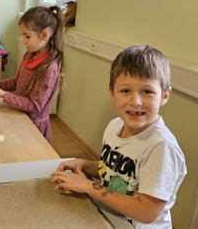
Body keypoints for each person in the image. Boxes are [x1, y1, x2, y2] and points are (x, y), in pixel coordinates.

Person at [50, 45, 187, 228]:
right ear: (112, 93)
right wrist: (85, 165)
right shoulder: (115, 126)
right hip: (110, 215)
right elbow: (115, 171)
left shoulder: (161, 148)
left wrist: (88, 186)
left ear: (164, 96)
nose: (135, 101)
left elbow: (146, 212)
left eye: (147, 91)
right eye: (125, 91)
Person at [0, 6, 64, 143]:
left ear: (44, 35)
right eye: (22, 35)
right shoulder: (29, 55)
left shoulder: (49, 69)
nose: (23, 40)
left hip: (33, 127)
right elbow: (16, 82)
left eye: (27, 36)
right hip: (18, 115)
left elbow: (34, 106)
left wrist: (3, 95)